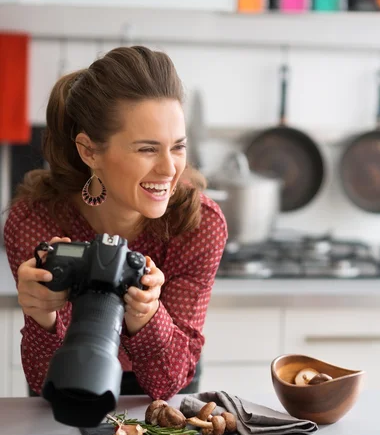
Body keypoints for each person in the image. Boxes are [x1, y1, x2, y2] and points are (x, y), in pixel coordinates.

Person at [3, 45, 227, 400]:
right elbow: (44, 381)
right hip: (71, 376)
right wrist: (41, 316)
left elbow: (170, 383)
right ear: (90, 151)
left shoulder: (197, 225)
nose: (169, 169)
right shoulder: (36, 222)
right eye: (147, 149)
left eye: (178, 147)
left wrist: (148, 315)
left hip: (156, 386)